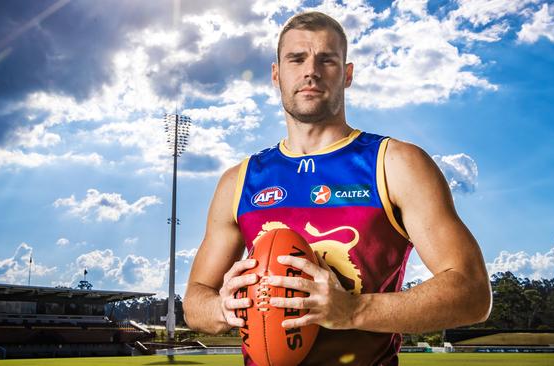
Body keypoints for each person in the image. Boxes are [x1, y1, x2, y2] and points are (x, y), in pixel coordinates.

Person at [183, 11, 492, 365]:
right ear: (275, 74)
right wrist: (223, 307)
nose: (310, 71)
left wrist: (353, 309)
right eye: (296, 59)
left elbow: (472, 293)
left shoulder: (395, 164)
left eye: (326, 60)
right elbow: (195, 299)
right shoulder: (238, 181)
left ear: (346, 75)